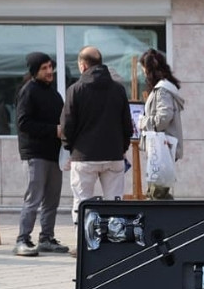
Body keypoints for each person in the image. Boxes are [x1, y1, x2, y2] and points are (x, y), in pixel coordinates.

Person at [60, 45, 133, 222]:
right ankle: (115, 241)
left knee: (82, 203)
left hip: (84, 156)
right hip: (113, 155)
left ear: (83, 65)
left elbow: (67, 124)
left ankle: (83, 244)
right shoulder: (118, 90)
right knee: (115, 203)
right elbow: (127, 125)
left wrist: (69, 147)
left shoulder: (75, 90)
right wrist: (122, 147)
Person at [13, 51, 67, 257]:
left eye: (50, 67)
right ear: (35, 71)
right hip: (35, 153)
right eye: (44, 68)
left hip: (54, 153)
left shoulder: (54, 94)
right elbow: (23, 122)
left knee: (52, 199)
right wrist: (54, 130)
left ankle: (46, 238)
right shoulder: (28, 91)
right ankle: (22, 239)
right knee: (33, 198)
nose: (49, 71)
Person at [139, 49, 185, 200]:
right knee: (159, 192)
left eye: (143, 68)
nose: (142, 72)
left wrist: (144, 122)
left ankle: (165, 222)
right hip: (163, 147)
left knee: (156, 194)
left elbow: (164, 117)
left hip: (162, 148)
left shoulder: (162, 90)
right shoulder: (166, 87)